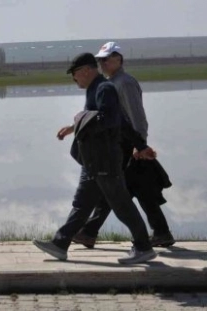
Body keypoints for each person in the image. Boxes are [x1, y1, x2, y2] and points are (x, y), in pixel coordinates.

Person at [32, 52, 158, 264]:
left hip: (105, 159)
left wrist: (82, 119)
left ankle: (144, 247)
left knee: (121, 204)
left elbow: (110, 120)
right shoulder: (95, 89)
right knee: (82, 203)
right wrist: (76, 126)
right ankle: (60, 244)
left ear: (85, 70)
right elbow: (118, 121)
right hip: (93, 160)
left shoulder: (104, 88)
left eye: (74, 74)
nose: (74, 79)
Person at [72, 42, 175, 249]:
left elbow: (135, 116)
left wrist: (140, 145)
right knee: (134, 189)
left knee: (115, 189)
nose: (102, 63)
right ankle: (160, 233)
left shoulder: (124, 83)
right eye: (100, 60)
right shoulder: (112, 82)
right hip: (123, 146)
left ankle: (89, 232)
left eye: (107, 59)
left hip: (128, 147)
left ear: (118, 59)